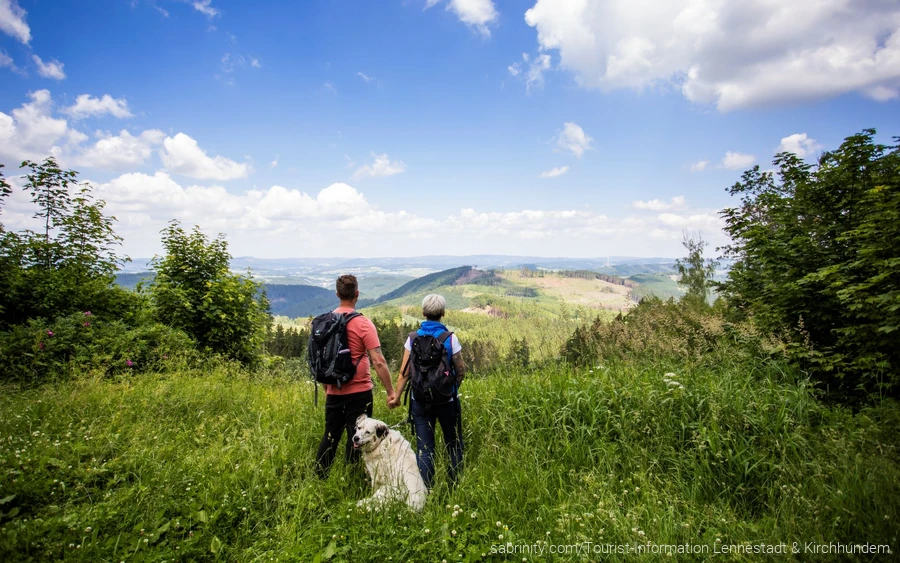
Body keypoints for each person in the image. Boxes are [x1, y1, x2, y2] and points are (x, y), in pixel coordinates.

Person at [315, 274, 396, 478]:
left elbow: (322, 359)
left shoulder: (326, 323)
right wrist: (390, 391)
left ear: (337, 294)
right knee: (357, 436)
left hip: (334, 389)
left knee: (331, 435)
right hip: (360, 390)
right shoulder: (363, 324)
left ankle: (319, 477)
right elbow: (378, 361)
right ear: (357, 294)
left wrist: (327, 386)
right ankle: (350, 479)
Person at [389, 294, 467, 490]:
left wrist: (396, 397)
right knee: (454, 444)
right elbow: (461, 369)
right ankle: (454, 488)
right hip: (447, 401)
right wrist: (451, 387)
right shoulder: (450, 338)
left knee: (425, 449)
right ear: (442, 313)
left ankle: (426, 491)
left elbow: (404, 373)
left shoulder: (412, 339)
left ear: (423, 313)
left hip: (420, 401)